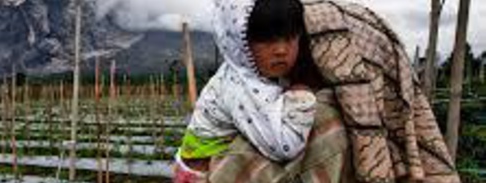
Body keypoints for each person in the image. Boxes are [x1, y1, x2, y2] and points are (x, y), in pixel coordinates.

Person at [175, 0, 461, 182]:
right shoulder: (240, 87)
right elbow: (282, 144)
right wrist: (300, 99)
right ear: (237, 42)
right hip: (198, 172)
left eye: (290, 37)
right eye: (265, 40)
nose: (281, 50)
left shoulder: (260, 75)